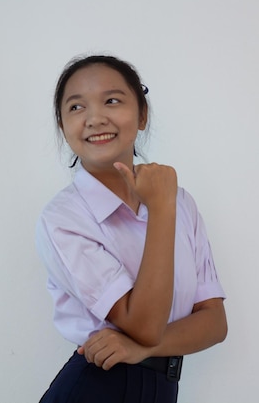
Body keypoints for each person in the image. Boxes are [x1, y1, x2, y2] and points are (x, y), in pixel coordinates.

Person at [35, 54, 227, 403]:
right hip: (99, 387)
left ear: (142, 115)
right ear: (63, 126)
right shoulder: (64, 218)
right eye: (76, 108)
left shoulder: (182, 202)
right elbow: (144, 325)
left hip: (160, 388)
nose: (94, 118)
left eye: (112, 100)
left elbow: (215, 322)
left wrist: (139, 349)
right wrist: (161, 208)